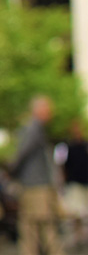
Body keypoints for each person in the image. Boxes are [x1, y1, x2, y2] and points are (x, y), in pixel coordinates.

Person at [9, 95, 66, 255]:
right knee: (40, 227)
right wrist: (13, 170)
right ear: (39, 110)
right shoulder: (34, 128)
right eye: (48, 109)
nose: (51, 113)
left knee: (33, 228)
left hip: (35, 185)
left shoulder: (34, 128)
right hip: (36, 186)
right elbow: (22, 154)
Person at [62, 119, 88, 251]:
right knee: (75, 212)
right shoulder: (68, 147)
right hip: (74, 183)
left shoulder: (85, 145)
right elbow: (63, 166)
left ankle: (83, 237)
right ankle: (78, 237)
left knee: (83, 212)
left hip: (85, 182)